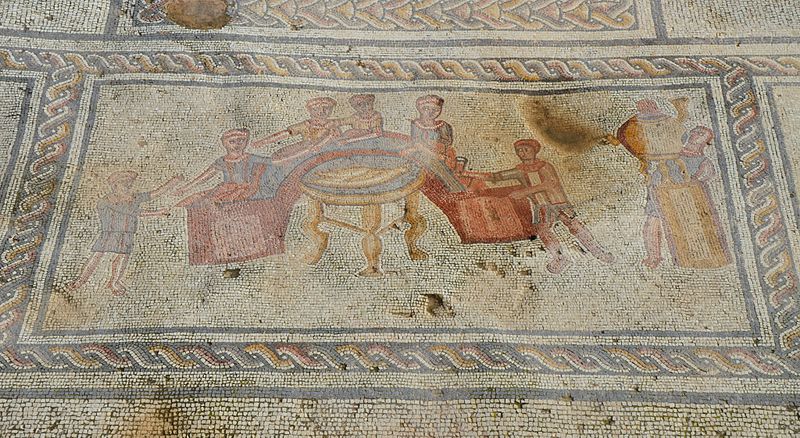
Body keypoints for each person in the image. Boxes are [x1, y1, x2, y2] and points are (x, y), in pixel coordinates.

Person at [491, 139, 615, 274]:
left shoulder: (545, 166)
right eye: (519, 151)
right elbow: (497, 176)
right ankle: (559, 258)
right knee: (543, 230)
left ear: (534, 150)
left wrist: (524, 192)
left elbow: (549, 183)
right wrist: (468, 174)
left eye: (526, 149)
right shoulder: (520, 170)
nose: (522, 153)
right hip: (541, 206)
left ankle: (598, 251)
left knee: (573, 224)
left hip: (557, 202)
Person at [65, 171, 182, 295]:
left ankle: (114, 282)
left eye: (129, 184)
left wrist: (172, 183)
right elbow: (133, 212)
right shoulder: (108, 200)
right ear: (115, 186)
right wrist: (157, 212)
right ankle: (80, 281)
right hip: (110, 232)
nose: (127, 187)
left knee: (122, 257)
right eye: (124, 184)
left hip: (127, 233)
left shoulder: (133, 197)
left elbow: (154, 194)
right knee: (97, 255)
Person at [175, 128, 277, 205]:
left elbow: (273, 162)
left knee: (212, 202)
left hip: (244, 190)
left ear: (246, 142)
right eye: (232, 142)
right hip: (226, 188)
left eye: (241, 140)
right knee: (196, 198)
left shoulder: (251, 158)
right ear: (225, 144)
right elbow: (205, 176)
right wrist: (185, 189)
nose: (237, 144)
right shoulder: (222, 161)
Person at [251, 96, 340, 163]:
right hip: (305, 148)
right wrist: (263, 142)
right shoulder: (306, 125)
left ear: (331, 109)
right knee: (278, 157)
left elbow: (335, 140)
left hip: (322, 153)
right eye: (316, 108)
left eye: (326, 108)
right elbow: (286, 133)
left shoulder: (332, 125)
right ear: (310, 110)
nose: (321, 111)